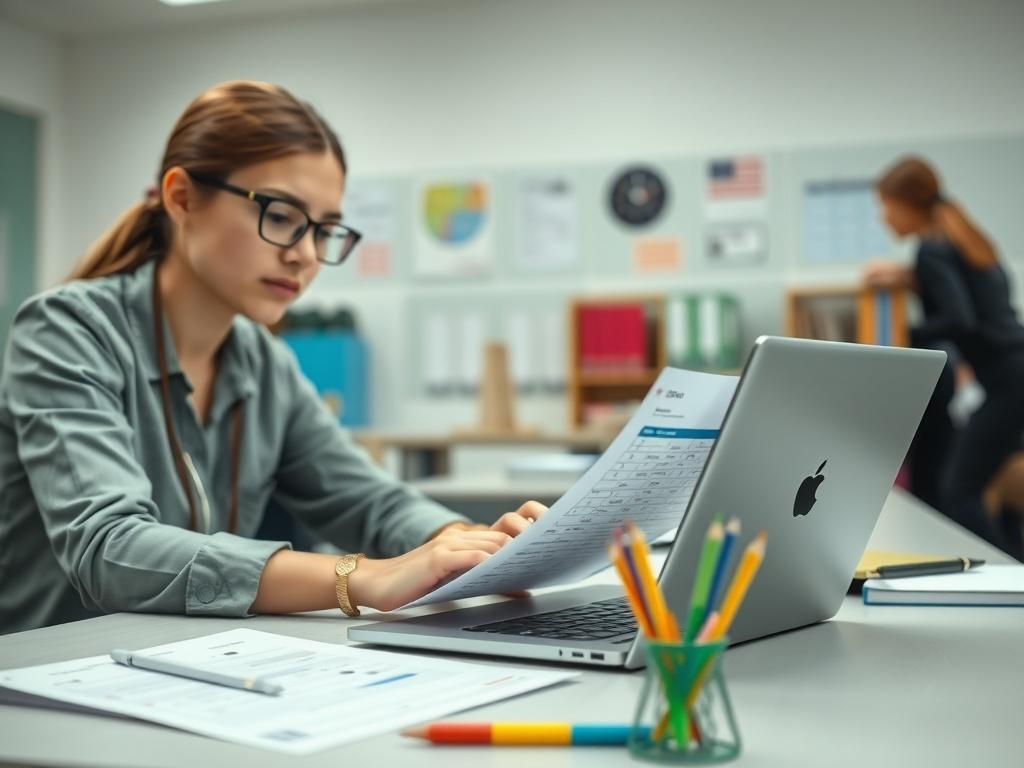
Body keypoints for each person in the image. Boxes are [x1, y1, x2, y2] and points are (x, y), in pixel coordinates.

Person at [0, 81, 545, 634]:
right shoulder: (67, 330)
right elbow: (109, 548)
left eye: (325, 229)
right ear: (182, 197)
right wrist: (360, 577)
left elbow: (369, 498)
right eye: (282, 216)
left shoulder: (262, 362)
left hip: (182, 667)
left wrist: (462, 542)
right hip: (51, 672)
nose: (305, 254)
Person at [864, 156, 1024, 559]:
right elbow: (976, 300)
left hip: (1009, 381)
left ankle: (1010, 579)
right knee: (998, 489)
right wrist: (909, 279)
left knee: (958, 491)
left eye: (885, 207)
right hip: (1014, 368)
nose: (884, 218)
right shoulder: (960, 237)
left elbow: (959, 318)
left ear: (906, 203)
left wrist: (904, 336)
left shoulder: (931, 250)